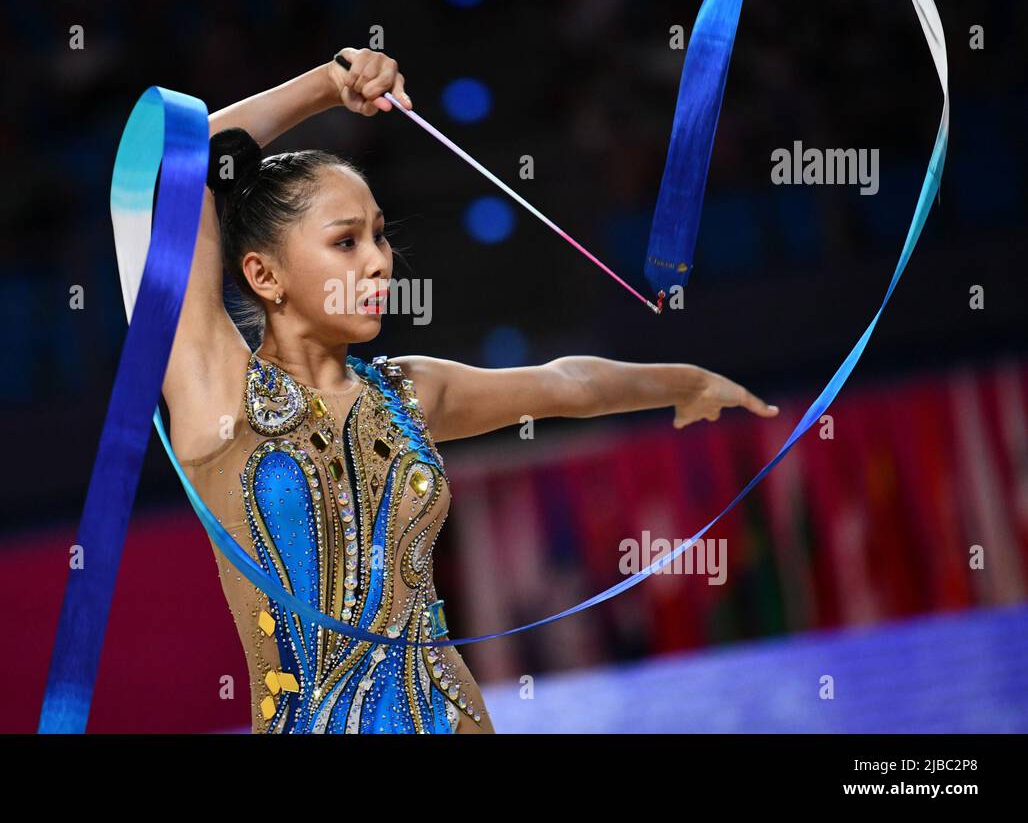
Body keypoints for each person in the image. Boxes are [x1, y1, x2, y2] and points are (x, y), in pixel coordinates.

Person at [163, 47, 779, 733]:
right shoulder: (217, 393)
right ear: (264, 275)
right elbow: (178, 167)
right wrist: (327, 86)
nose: (378, 262)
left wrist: (685, 381)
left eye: (379, 237)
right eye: (345, 242)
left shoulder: (406, 393)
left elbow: (566, 384)